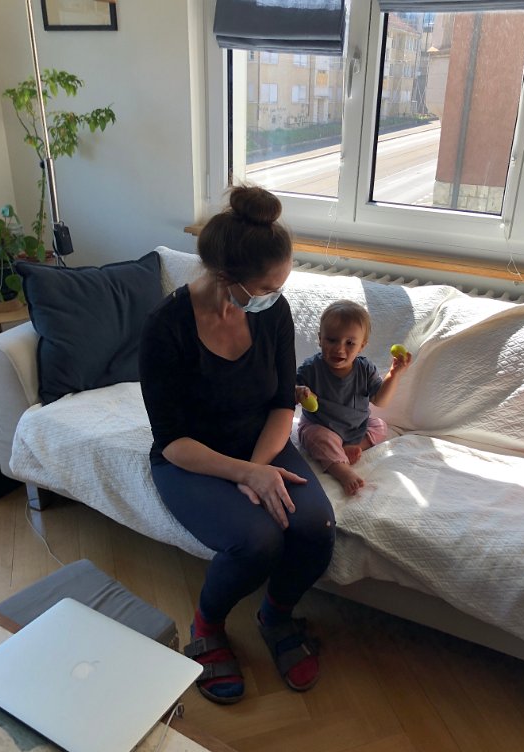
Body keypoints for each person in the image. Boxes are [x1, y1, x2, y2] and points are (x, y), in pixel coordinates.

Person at [138, 186, 335, 705]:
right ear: (227, 278)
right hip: (191, 458)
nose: (276, 295)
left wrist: (257, 467)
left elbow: (281, 404)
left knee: (315, 526)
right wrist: (243, 475)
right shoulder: (165, 328)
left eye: (280, 285)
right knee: (257, 540)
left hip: (260, 442)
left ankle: (276, 615)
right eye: (267, 287)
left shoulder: (272, 312)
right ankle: (207, 623)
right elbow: (171, 441)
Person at [296, 300, 412, 496]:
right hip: (321, 425)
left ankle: (353, 447)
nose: (339, 349)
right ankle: (342, 470)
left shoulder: (365, 369)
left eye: (349, 343)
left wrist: (394, 374)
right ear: (320, 339)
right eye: (332, 340)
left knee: (380, 426)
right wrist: (299, 392)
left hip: (356, 428)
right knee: (316, 437)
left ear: (361, 346)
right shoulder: (310, 368)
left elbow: (380, 401)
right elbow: (288, 392)